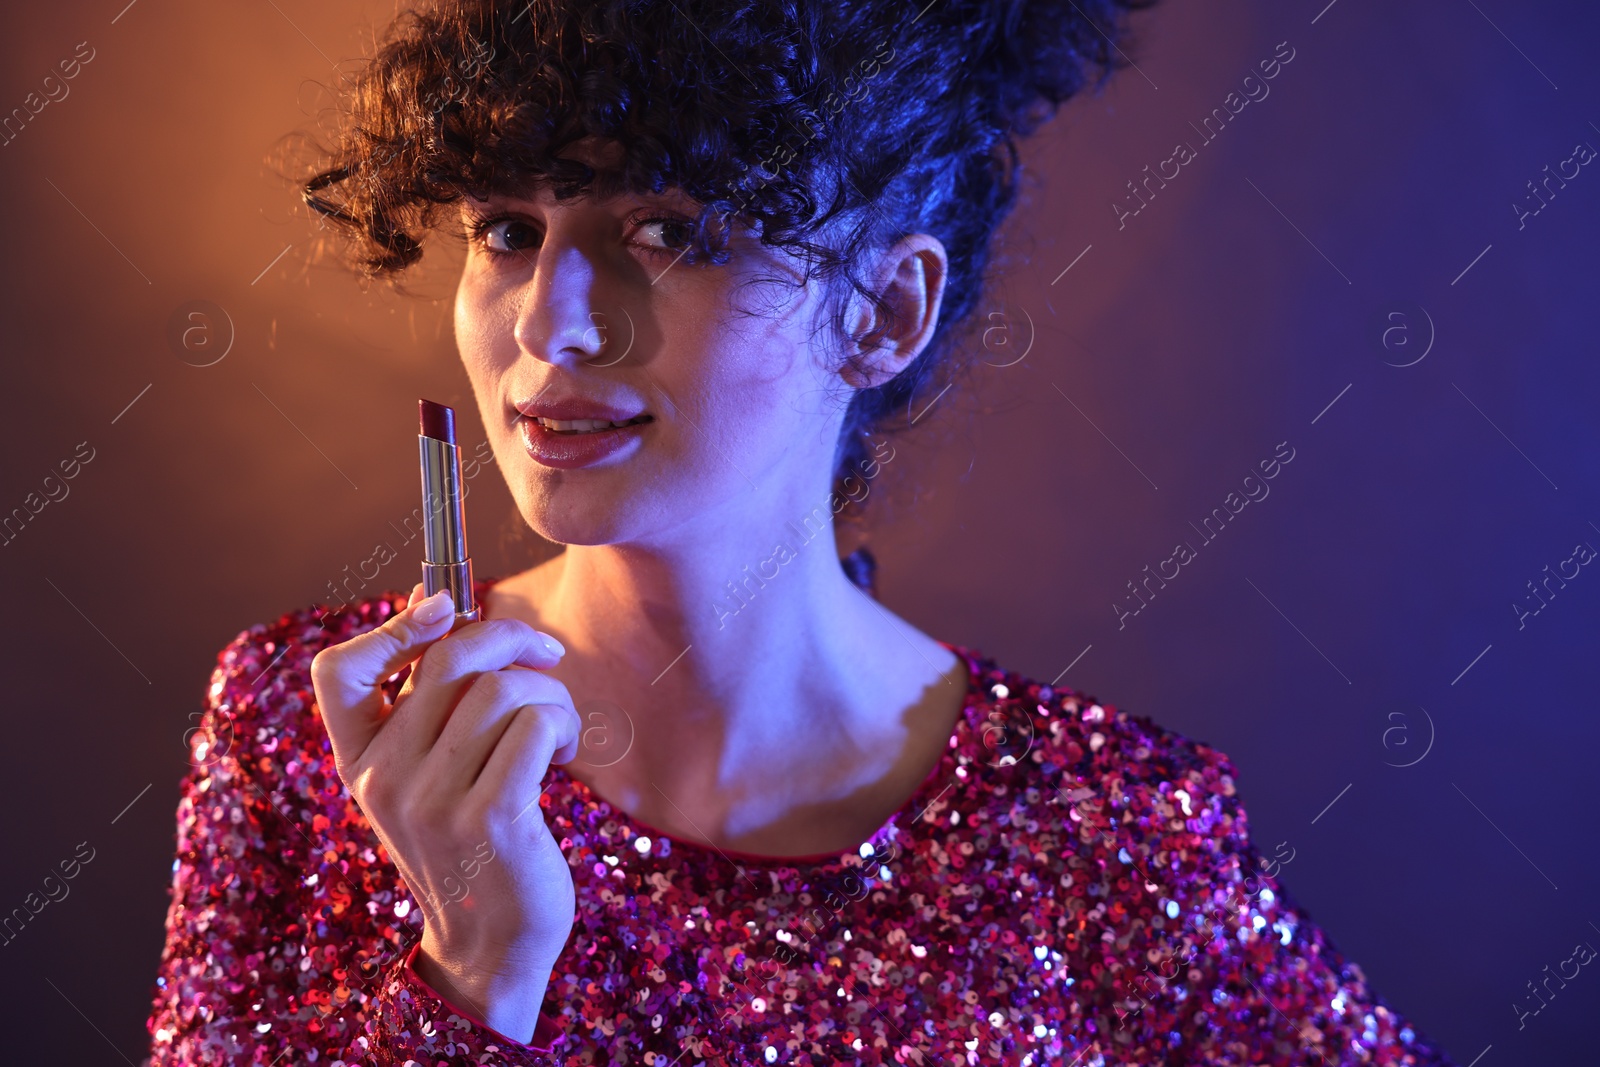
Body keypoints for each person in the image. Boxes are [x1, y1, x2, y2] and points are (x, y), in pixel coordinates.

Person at [144, 0, 1456, 1063]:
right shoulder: (306, 728)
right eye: (508, 230)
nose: (551, 326)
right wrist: (472, 976)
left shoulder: (1098, 824)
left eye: (667, 230)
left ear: (884, 310)